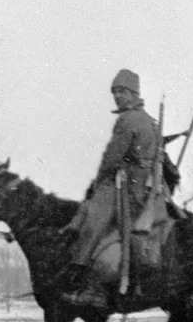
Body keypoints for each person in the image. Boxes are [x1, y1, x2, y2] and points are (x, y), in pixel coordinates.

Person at [64, 69, 160, 289]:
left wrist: (98, 184)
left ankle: (79, 272)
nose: (118, 96)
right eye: (115, 92)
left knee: (94, 218)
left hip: (128, 186)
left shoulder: (127, 119)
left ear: (135, 94)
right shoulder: (149, 120)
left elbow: (112, 157)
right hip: (146, 185)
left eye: (123, 91)